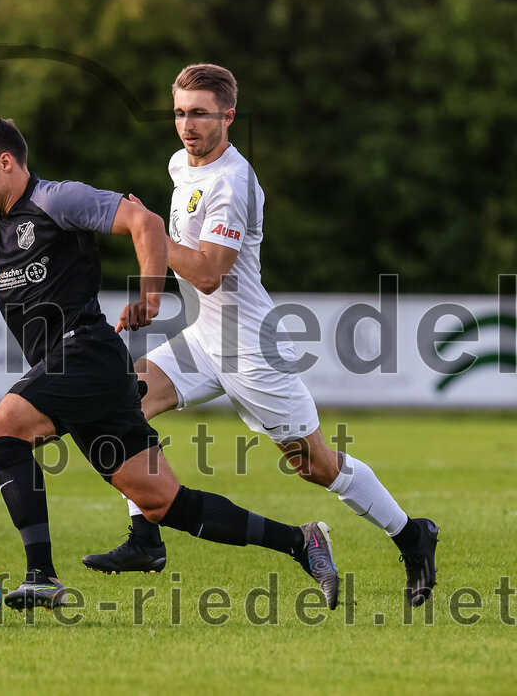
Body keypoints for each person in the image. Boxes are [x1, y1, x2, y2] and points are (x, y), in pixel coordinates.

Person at [0, 114, 342, 611]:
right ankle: (301, 542)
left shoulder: (57, 199)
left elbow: (145, 222)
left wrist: (150, 295)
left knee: (1, 431)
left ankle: (41, 575)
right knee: (163, 502)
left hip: (85, 351)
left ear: (6, 163)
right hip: (81, 372)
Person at [81, 64, 438, 607]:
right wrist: (150, 292)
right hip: (204, 338)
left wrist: (146, 226)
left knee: (316, 465)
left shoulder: (233, 182)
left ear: (228, 115)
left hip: (252, 347)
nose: (187, 125)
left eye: (199, 113)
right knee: (118, 401)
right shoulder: (181, 164)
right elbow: (174, 254)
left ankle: (413, 535)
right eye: (179, 112)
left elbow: (207, 271)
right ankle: (144, 540)